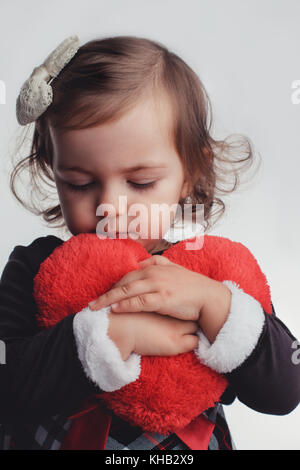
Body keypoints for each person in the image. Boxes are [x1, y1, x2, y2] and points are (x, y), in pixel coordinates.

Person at [0, 34, 299, 450]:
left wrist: (218, 306)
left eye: (140, 182)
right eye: (79, 183)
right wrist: (103, 339)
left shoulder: (209, 274)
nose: (109, 206)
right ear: (53, 170)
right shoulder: (32, 270)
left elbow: (287, 389)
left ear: (190, 173)